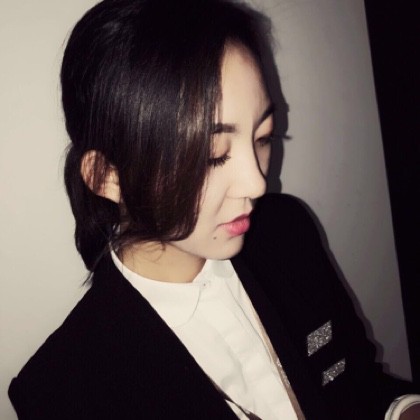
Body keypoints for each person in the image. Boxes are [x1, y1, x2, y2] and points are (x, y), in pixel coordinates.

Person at [8, 0, 420, 418]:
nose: (256, 183)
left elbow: (361, 386)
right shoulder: (63, 393)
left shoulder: (286, 231)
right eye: (212, 154)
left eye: (263, 137)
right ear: (106, 176)